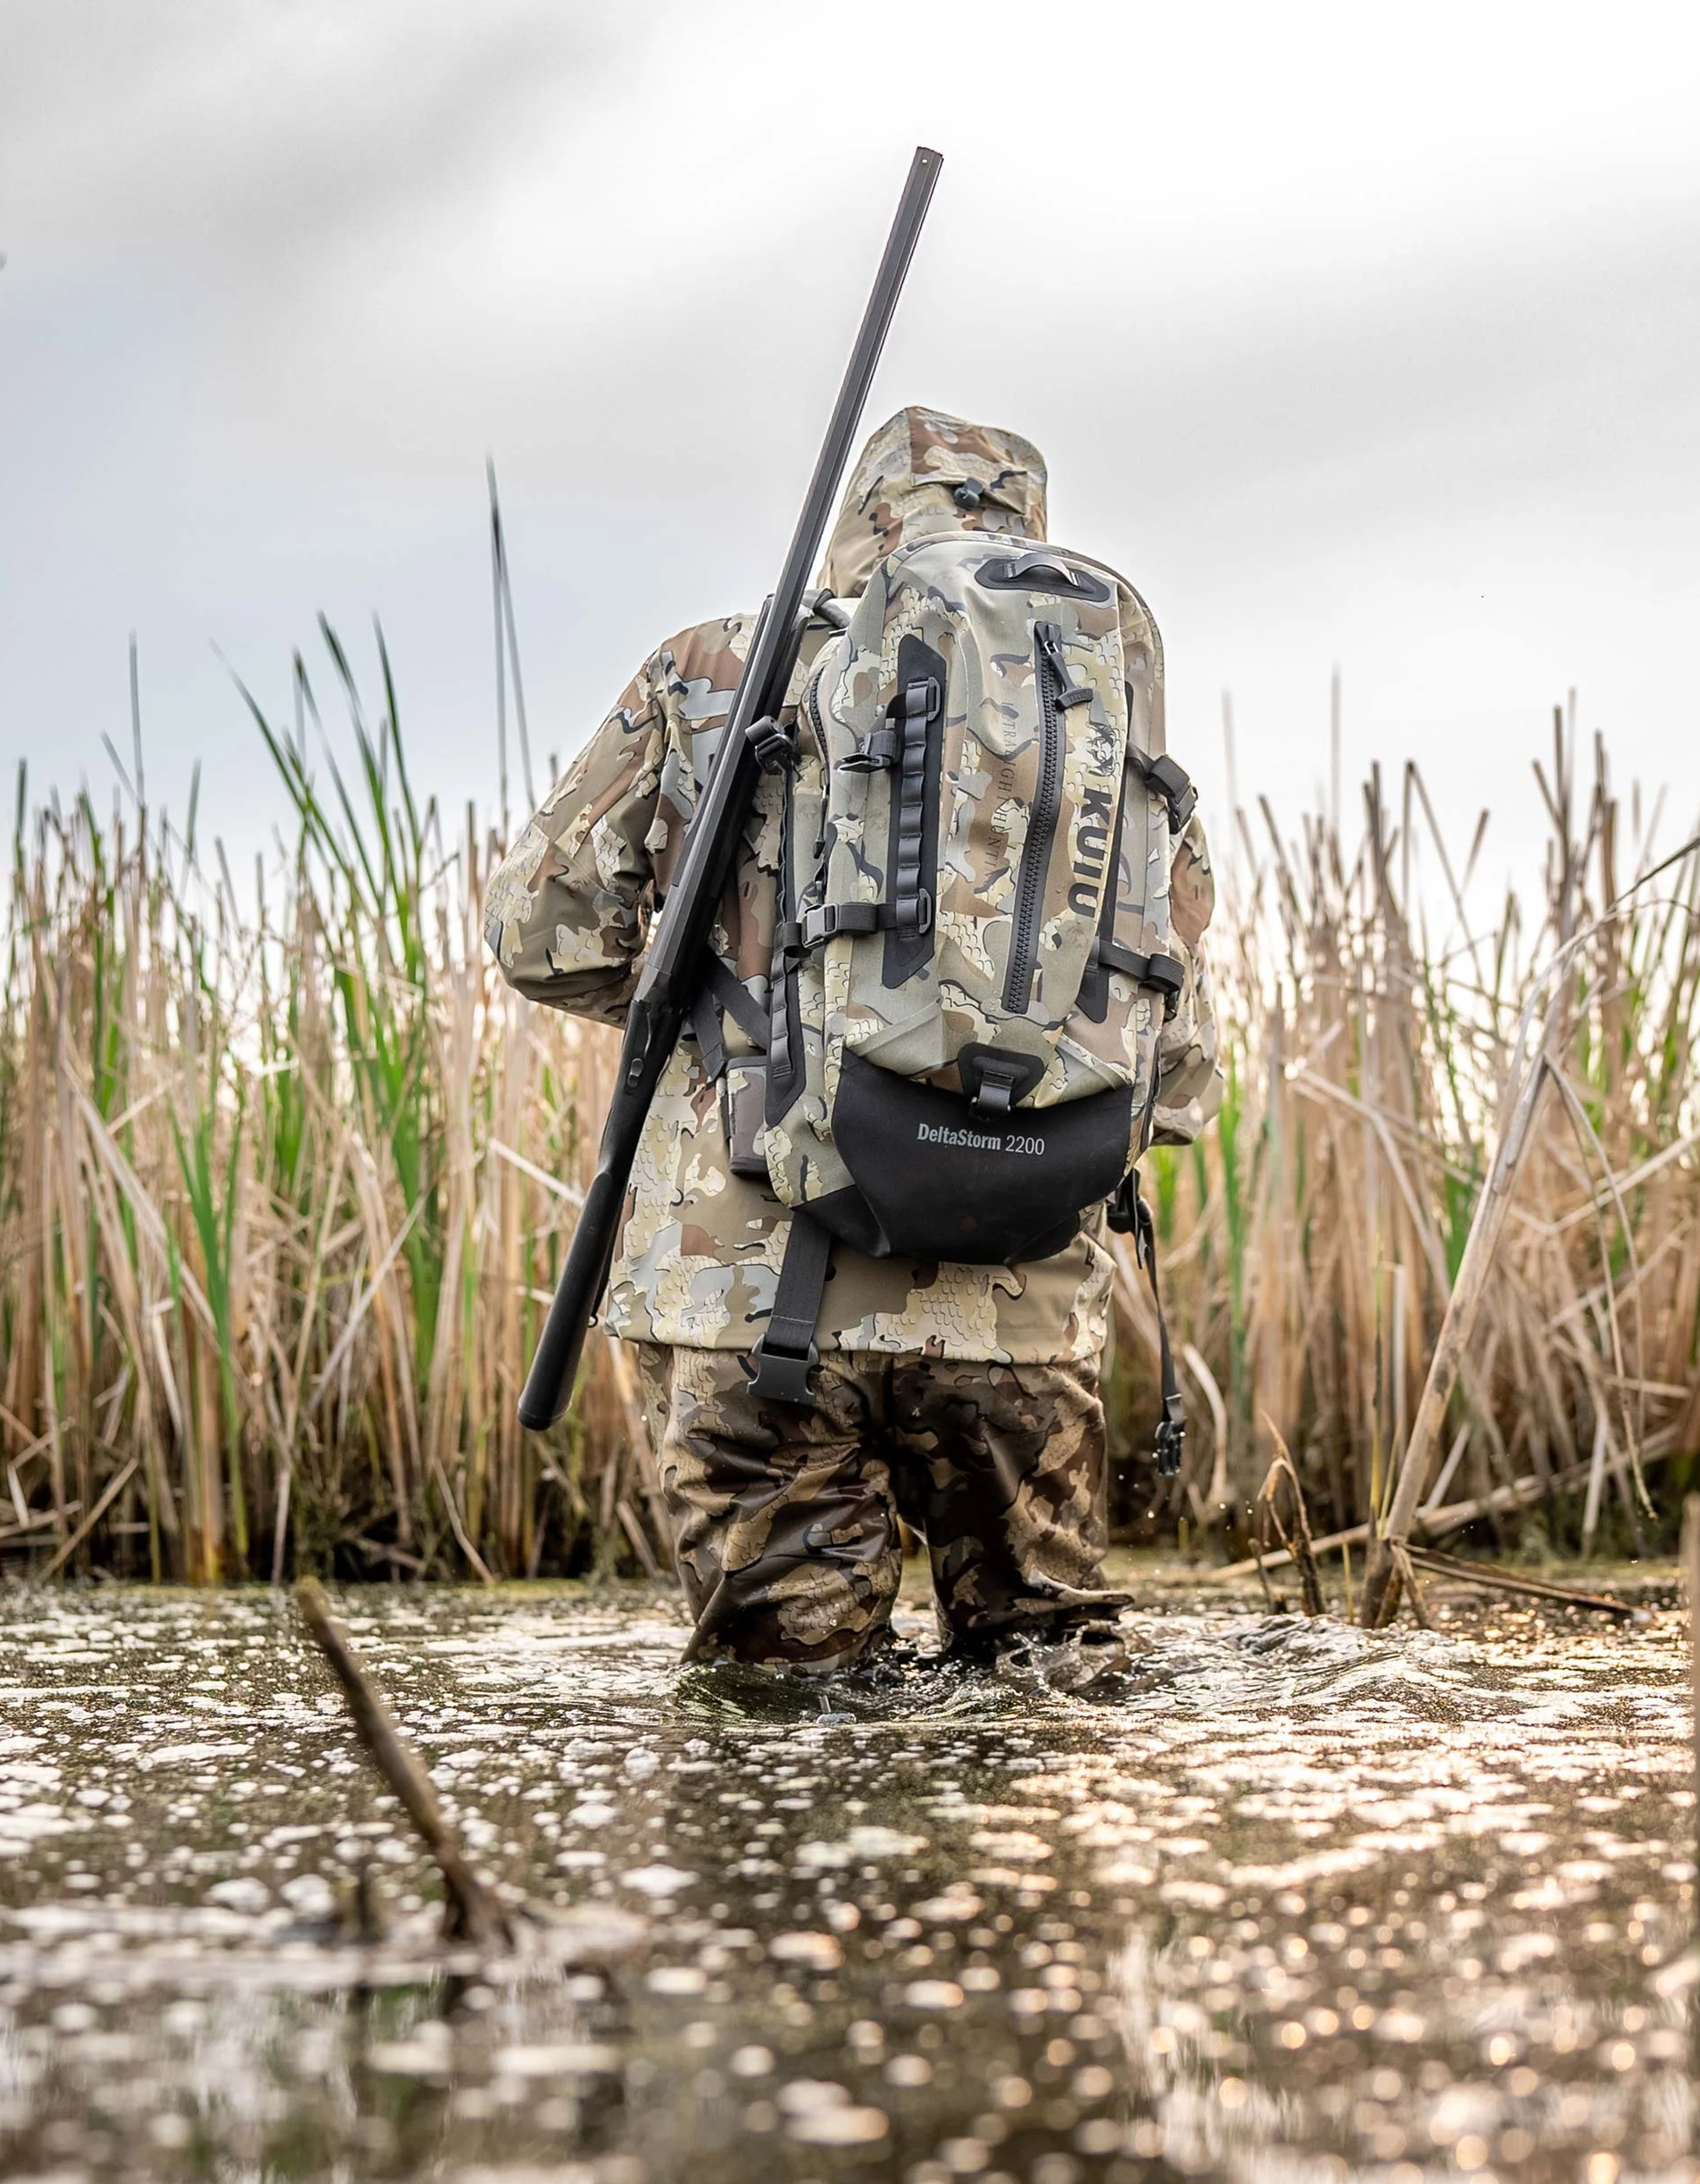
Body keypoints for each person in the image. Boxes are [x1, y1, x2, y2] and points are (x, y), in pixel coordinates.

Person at [484, 406, 1220, 1682]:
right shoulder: (1098, 720)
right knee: (1047, 1706)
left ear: (860, 527)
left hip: (752, 1287)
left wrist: (721, 1004)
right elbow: (1178, 1062)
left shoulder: (723, 667)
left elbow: (538, 932)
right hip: (1022, 1306)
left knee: (785, 1725)